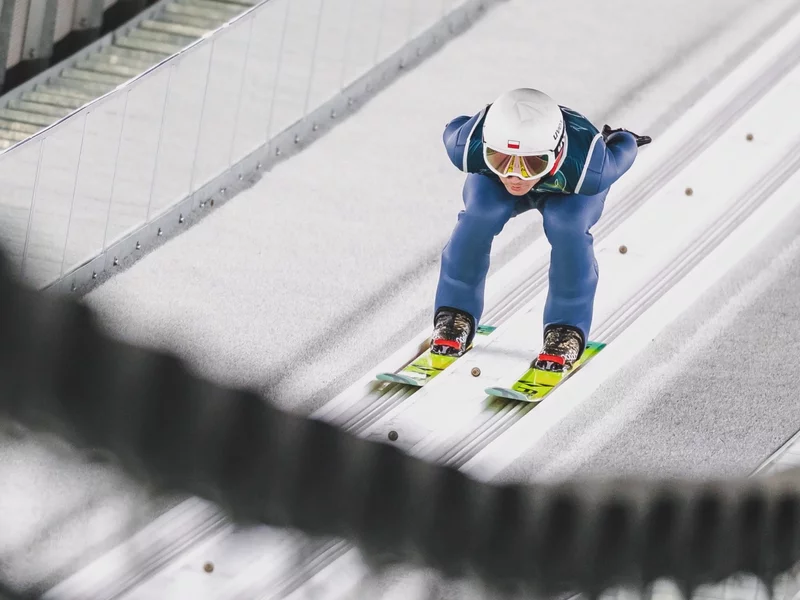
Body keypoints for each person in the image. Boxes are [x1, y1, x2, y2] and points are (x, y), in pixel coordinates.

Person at [431, 87, 650, 372]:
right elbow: (457, 127)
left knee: (567, 226)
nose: (516, 177)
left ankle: (566, 328)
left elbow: (622, 150)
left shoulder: (590, 166)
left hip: (569, 190)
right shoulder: (467, 144)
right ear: (485, 148)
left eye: (533, 163)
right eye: (500, 159)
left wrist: (620, 138)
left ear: (557, 153)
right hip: (499, 181)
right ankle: (455, 311)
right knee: (479, 215)